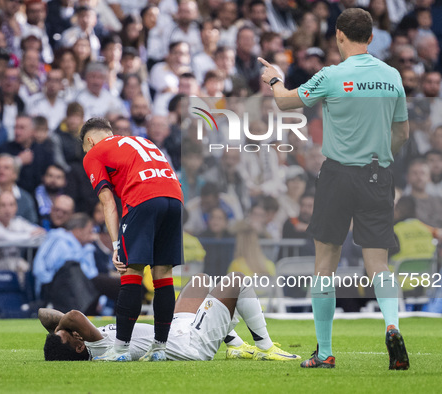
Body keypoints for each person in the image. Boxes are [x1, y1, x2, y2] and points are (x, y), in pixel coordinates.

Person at [259, 8, 410, 369]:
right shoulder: (392, 76)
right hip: (378, 175)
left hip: (338, 176)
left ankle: (324, 351)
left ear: (339, 35)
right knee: (379, 266)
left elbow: (285, 102)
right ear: (371, 38)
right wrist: (382, 159)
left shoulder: (332, 75)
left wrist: (274, 78)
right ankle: (391, 325)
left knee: (325, 265)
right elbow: (402, 133)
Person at [80, 117, 183, 362]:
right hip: (175, 198)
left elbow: (107, 202)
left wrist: (117, 245)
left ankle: (121, 350)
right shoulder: (142, 141)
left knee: (131, 272)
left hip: (143, 197)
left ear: (90, 140)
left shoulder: (94, 152)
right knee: (163, 274)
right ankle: (159, 349)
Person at [39, 272, 300, 362]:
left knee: (200, 281)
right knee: (237, 281)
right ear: (79, 345)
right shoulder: (99, 348)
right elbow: (72, 316)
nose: (71, 329)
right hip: (192, 345)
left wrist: (57, 332)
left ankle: (235, 346)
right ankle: (266, 348)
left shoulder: (86, 340)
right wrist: (63, 328)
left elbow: (45, 315)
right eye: (69, 335)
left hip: (177, 330)